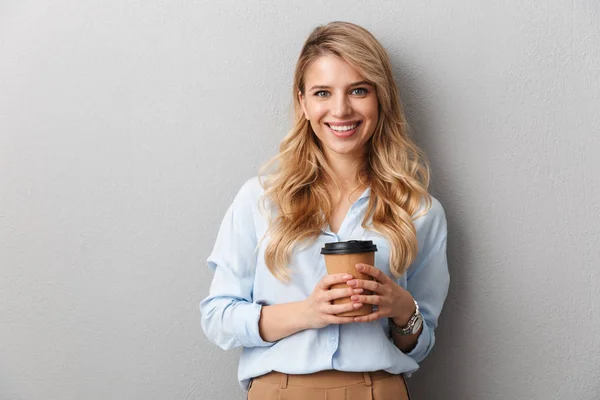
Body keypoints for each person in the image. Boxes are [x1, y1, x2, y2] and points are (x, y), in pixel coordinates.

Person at [200, 21, 449, 400]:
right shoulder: (260, 199)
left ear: (380, 98)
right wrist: (308, 312)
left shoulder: (418, 211)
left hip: (378, 390)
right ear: (303, 102)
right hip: (278, 389)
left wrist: (402, 308)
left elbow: (421, 342)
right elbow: (217, 319)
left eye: (359, 90)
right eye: (322, 92)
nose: (340, 109)